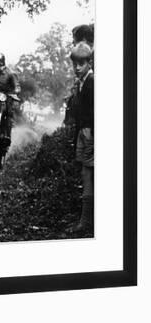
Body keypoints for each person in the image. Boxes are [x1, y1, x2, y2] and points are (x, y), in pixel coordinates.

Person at [69, 42, 94, 233]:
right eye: (75, 63)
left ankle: (86, 222)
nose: (77, 67)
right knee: (84, 173)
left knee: (88, 174)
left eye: (81, 63)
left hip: (90, 133)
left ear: (89, 62)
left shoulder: (92, 82)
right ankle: (85, 219)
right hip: (82, 133)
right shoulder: (80, 83)